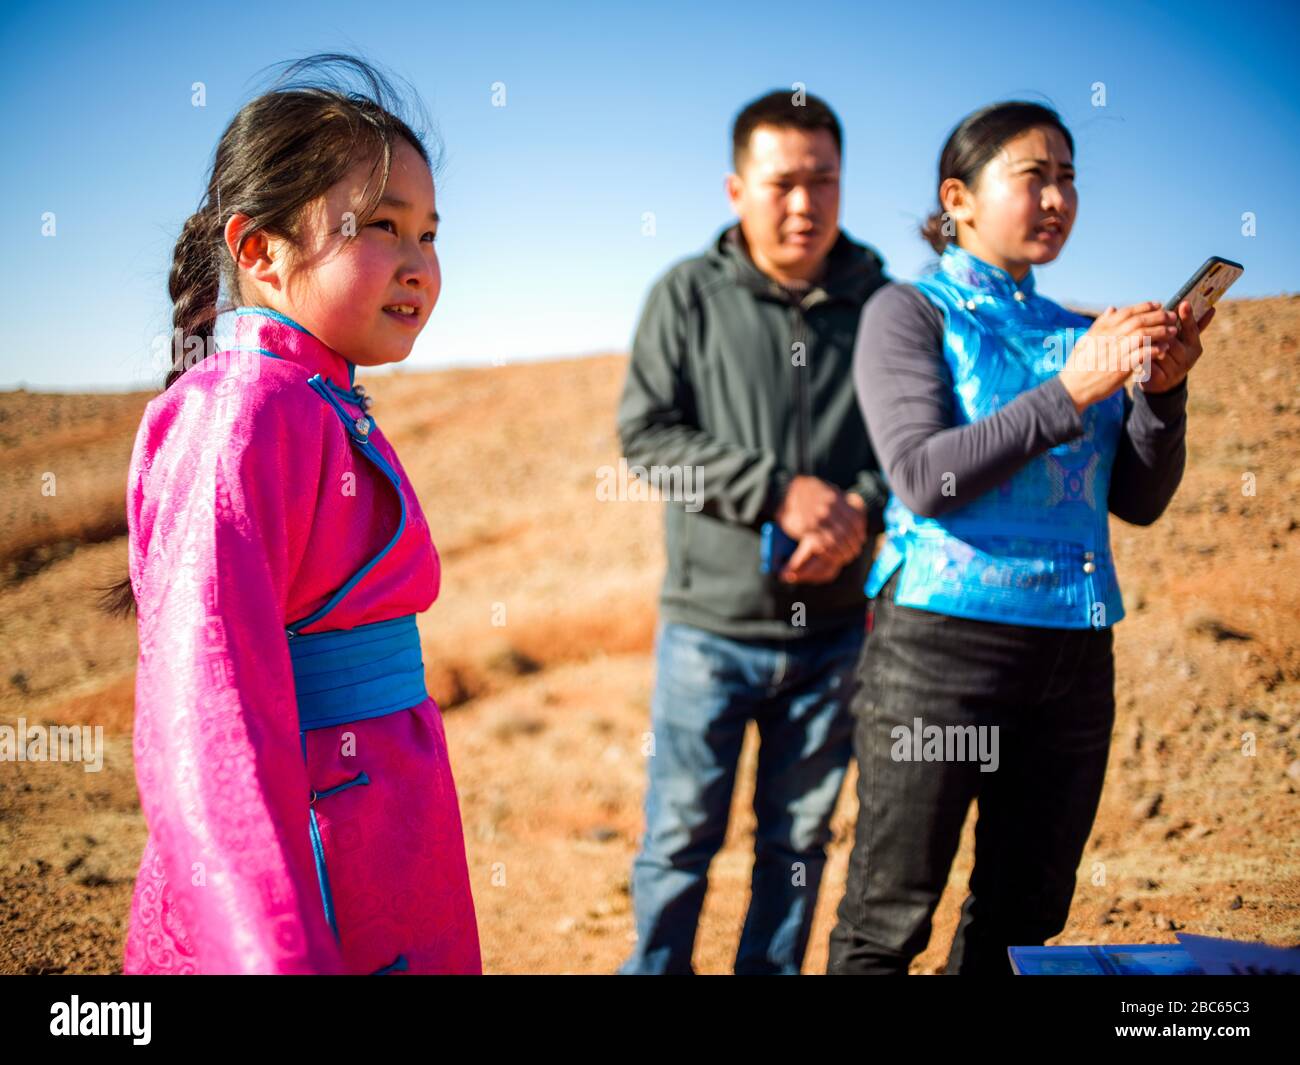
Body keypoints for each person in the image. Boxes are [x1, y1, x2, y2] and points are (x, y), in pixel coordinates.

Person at [104, 55, 481, 974]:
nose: (417, 263)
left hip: (385, 843)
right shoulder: (245, 411)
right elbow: (208, 717)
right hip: (308, 881)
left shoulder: (317, 399)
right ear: (260, 250)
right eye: (380, 227)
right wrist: (268, 950)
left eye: (429, 235)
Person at [826, 101, 1213, 975]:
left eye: (1069, 177)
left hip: (1076, 654)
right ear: (958, 197)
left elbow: (1140, 503)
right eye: (1033, 175)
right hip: (940, 647)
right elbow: (926, 478)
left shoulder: (1086, 334)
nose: (1057, 198)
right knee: (890, 916)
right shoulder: (907, 312)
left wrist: (1160, 395)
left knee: (1023, 917)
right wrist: (1072, 391)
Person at [616, 90, 890, 974]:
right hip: (709, 629)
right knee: (678, 840)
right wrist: (777, 493)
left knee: (799, 849)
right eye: (782, 184)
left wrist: (856, 514)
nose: (804, 205)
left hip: (836, 635)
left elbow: (915, 445)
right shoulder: (685, 296)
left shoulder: (884, 305)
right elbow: (648, 439)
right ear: (737, 189)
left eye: (824, 182)